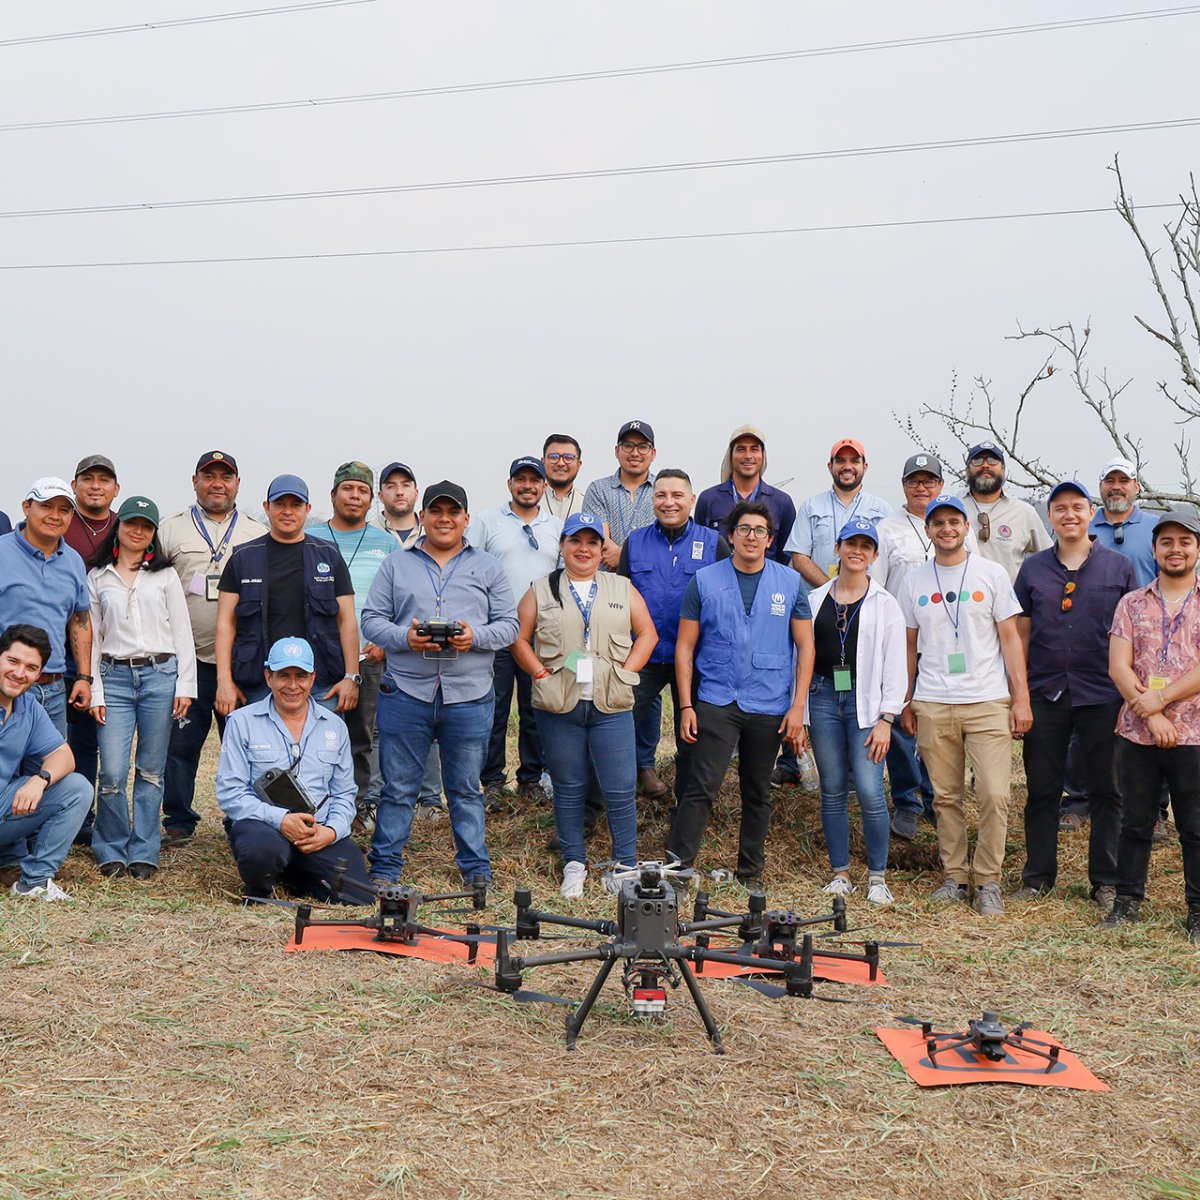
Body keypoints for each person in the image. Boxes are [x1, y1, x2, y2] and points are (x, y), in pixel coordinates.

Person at [361, 481, 518, 884]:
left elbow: (510, 626)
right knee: (397, 789)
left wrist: (474, 637)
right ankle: (384, 868)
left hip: (469, 695)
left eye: (453, 512)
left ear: (466, 519)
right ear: (423, 517)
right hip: (407, 691)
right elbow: (372, 620)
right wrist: (405, 638)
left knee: (465, 789)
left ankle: (475, 870)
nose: (444, 519)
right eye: (436, 512)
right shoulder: (397, 564)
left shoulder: (488, 567)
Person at [668, 501, 815, 885]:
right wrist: (686, 704)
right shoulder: (704, 581)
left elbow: (806, 647)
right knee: (700, 787)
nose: (752, 537)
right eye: (744, 529)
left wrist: (798, 707)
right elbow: (684, 647)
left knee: (757, 791)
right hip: (717, 698)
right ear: (730, 536)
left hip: (769, 701)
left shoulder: (790, 582)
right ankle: (678, 868)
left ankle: (750, 873)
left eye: (760, 531)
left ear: (770, 539)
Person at [898, 495, 1031, 915]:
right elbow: (909, 643)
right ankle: (955, 877)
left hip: (988, 699)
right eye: (938, 522)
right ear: (929, 530)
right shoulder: (915, 581)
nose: (947, 529)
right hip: (934, 701)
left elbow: (1010, 638)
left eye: (955, 521)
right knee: (945, 797)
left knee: (995, 794)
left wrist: (1020, 698)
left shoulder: (991, 574)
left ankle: (988, 880)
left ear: (966, 527)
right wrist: (906, 698)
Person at [513, 511, 657, 897]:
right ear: (562, 545)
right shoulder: (542, 589)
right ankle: (574, 863)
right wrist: (539, 674)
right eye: (576, 540)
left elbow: (647, 634)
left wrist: (627, 672)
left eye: (592, 542)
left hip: (611, 704)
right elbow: (519, 638)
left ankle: (624, 865)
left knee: (620, 786)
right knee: (569, 785)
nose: (584, 549)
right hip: (561, 704)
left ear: (601, 549)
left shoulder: (620, 587)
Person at [1012, 481, 1137, 912]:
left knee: (1108, 791)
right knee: (1042, 790)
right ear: (1049, 517)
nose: (1069, 515)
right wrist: (1019, 694)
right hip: (1046, 691)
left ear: (1091, 513)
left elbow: (1131, 633)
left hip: (1102, 693)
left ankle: (1105, 880)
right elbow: (1021, 633)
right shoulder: (1032, 570)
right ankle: (1038, 877)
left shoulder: (1118, 568)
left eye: (1077, 507)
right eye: (1060, 508)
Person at [157, 450, 267, 846]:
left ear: (238, 483)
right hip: (187, 659)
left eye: (226, 476)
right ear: (195, 480)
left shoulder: (256, 532)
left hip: (243, 660)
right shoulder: (171, 530)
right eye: (209, 475)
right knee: (181, 744)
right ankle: (178, 821)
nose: (217, 483)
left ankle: (245, 817)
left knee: (247, 746)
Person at [87, 497, 198, 879]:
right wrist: (96, 690)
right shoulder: (98, 577)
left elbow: (182, 635)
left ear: (153, 535)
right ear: (119, 527)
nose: (138, 531)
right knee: (113, 772)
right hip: (114, 677)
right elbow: (93, 640)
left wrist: (185, 686)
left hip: (160, 676)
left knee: (151, 770)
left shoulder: (164, 576)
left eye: (146, 526)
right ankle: (111, 847)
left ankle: (144, 850)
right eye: (132, 523)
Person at [873, 454, 980, 839]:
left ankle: (939, 797)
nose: (922, 487)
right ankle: (906, 799)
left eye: (929, 480)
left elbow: (975, 579)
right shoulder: (886, 529)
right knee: (903, 721)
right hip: (903, 639)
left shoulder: (954, 522)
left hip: (948, 643)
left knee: (941, 725)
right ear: (904, 485)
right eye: (914, 481)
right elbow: (878, 588)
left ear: (940, 484)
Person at [1105, 512, 1200, 943]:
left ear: (1197, 550)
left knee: (1195, 826)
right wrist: (1151, 713)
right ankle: (1127, 901)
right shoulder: (1132, 603)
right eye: (1166, 542)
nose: (1175, 549)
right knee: (1135, 822)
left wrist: (1161, 699)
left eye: (1185, 541)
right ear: (1155, 549)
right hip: (1137, 734)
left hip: (1194, 735)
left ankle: (1197, 910)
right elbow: (1118, 665)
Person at [216, 637, 370, 902]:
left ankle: (291, 872)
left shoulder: (335, 726)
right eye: (283, 675)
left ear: (312, 679)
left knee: (357, 893)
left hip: (316, 829)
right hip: (263, 825)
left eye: (301, 676)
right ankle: (260, 888)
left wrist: (330, 832)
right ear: (268, 677)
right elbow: (230, 793)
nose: (292, 685)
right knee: (261, 850)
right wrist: (281, 820)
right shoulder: (242, 721)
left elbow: (344, 793)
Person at [775, 437, 890, 790]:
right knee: (818, 684)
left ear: (864, 467)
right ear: (831, 467)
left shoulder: (882, 510)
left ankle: (861, 769)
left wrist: (856, 594)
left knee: (862, 685)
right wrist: (834, 590)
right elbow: (798, 555)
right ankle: (802, 762)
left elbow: (882, 559)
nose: (847, 466)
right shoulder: (811, 507)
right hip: (820, 614)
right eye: (840, 460)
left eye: (854, 461)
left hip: (865, 615)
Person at [805, 520, 907, 905]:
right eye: (851, 543)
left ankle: (877, 877)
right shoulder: (815, 600)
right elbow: (802, 655)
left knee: (869, 789)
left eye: (867, 546)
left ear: (875, 555)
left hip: (867, 705)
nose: (858, 551)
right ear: (838, 548)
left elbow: (896, 665)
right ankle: (841, 873)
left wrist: (887, 718)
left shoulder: (885, 604)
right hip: (823, 696)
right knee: (832, 789)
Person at [618, 468, 728, 801]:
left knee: (691, 739)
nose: (669, 502)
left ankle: (686, 811)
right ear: (653, 501)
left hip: (694, 661)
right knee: (615, 728)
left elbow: (726, 604)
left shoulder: (714, 543)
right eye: (661, 495)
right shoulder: (635, 542)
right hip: (645, 657)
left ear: (692, 500)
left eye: (677, 495)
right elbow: (622, 599)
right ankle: (597, 809)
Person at [215, 474, 360, 717]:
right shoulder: (242, 558)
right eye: (280, 504)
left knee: (321, 753)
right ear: (266, 507)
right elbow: (224, 624)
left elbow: (347, 621)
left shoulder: (329, 556)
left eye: (296, 505)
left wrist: (351, 676)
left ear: (308, 509)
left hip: (319, 682)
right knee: (258, 753)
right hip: (258, 682)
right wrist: (224, 681)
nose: (287, 511)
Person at [467, 457, 562, 806]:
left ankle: (532, 778)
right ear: (509, 484)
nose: (527, 485)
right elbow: (469, 567)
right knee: (494, 708)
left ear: (543, 486)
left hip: (541, 634)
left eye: (534, 480)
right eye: (520, 479)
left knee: (536, 708)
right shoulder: (487, 522)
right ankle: (491, 781)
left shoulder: (556, 526)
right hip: (496, 632)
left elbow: (563, 577)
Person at [306, 462, 397, 815]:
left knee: (362, 735)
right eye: (347, 489)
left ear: (372, 499)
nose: (354, 496)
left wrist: (385, 641)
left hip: (368, 654)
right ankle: (317, 804)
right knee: (318, 735)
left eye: (362, 491)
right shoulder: (310, 538)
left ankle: (357, 806)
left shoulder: (387, 543)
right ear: (333, 495)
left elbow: (400, 598)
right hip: (319, 656)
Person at [1090, 456, 1171, 842]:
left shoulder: (1155, 529)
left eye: (1124, 480)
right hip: (1097, 643)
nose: (1117, 486)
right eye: (1110, 481)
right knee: (1098, 726)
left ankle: (1155, 809)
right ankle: (1083, 800)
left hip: (1155, 644)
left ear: (1137, 487)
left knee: (1155, 716)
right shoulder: (1085, 527)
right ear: (1101, 487)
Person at [0, 624, 93, 901]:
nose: (19, 673)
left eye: (30, 667)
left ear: (39, 675)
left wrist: (39, 780)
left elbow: (64, 756)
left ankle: (34, 881)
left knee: (77, 788)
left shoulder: (28, 707)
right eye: (13, 661)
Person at [0, 478, 92, 735]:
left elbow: (80, 619)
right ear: (26, 507)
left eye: (64, 510)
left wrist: (84, 678)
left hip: (53, 689)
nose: (55, 516)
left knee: (52, 768)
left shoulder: (73, 560)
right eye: (46, 506)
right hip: (6, 686)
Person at [61, 454, 120, 828]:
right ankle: (73, 817)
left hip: (113, 652)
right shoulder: (63, 523)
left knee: (104, 743)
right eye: (88, 479)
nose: (95, 485)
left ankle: (98, 817)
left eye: (104, 479)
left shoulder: (126, 525)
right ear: (75, 486)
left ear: (116, 489)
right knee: (71, 738)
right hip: (64, 652)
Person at [694, 425, 797, 564]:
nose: (748, 456)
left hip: (766, 583)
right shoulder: (709, 499)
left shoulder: (782, 502)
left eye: (754, 449)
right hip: (718, 582)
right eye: (741, 449)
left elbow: (785, 555)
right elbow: (700, 547)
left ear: (763, 456)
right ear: (731, 456)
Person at [958, 442, 1052, 584]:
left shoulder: (1024, 512)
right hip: (959, 601)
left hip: (1009, 603)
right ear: (967, 468)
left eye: (992, 460)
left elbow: (1049, 559)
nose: (985, 465)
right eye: (977, 460)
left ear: (1003, 469)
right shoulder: (952, 508)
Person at [582, 420, 657, 570]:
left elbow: (664, 542)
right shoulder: (598, 489)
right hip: (607, 582)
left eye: (643, 447)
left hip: (651, 581)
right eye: (628, 446)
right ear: (617, 451)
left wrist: (623, 556)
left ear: (653, 453)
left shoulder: (662, 490)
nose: (635, 453)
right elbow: (598, 539)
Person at [376, 461, 423, 547]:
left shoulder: (430, 534)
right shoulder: (365, 533)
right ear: (381, 496)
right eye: (391, 486)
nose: (399, 492)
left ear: (416, 493)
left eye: (406, 485)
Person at [542, 434, 586, 522]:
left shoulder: (587, 503)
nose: (561, 463)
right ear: (543, 462)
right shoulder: (530, 501)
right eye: (554, 457)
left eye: (568, 457)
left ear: (578, 464)